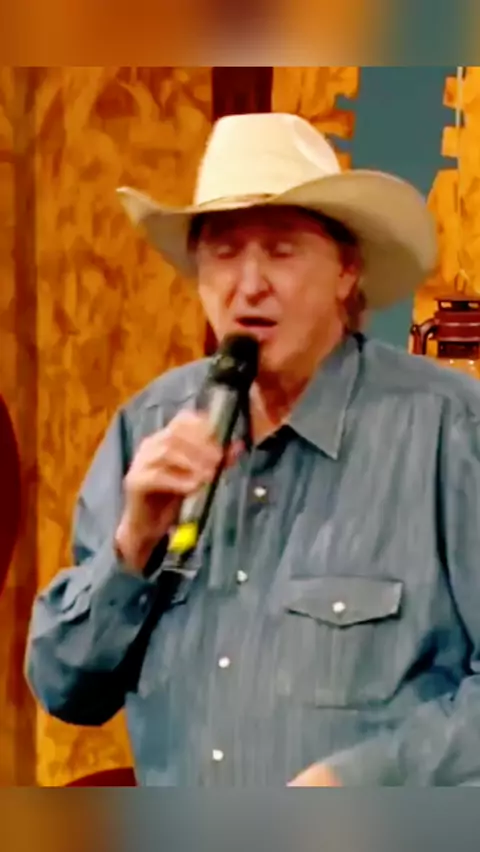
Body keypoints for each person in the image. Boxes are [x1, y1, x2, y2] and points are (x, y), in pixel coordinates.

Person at [25, 112, 480, 787]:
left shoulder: (450, 429)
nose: (249, 284)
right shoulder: (148, 426)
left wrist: (365, 783)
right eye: (225, 252)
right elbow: (65, 691)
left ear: (347, 270)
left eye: (281, 250)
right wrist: (132, 546)